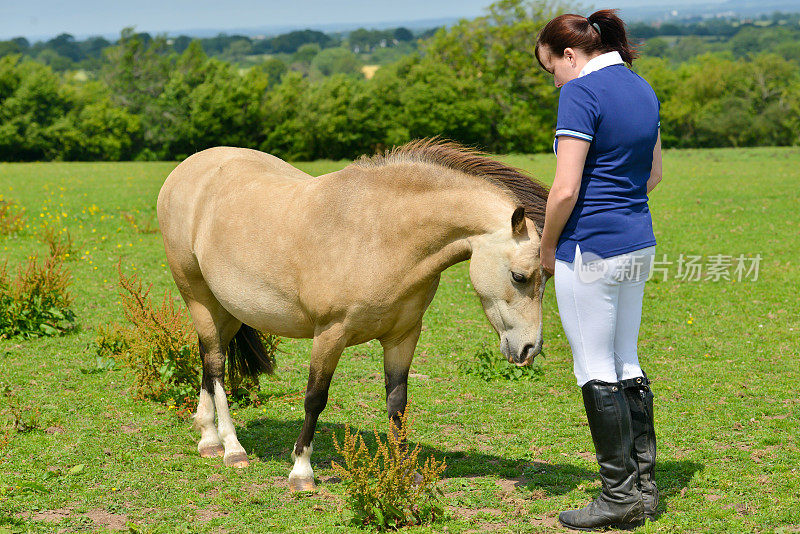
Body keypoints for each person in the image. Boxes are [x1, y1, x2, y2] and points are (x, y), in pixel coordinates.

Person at [534, 9, 661, 531]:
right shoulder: (640, 86)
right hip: (638, 241)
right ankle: (644, 487)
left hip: (591, 250)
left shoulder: (580, 93)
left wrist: (547, 247)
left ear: (569, 54)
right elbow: (653, 175)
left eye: (552, 69)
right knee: (625, 357)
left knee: (593, 366)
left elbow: (564, 189)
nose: (555, 81)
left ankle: (618, 496)